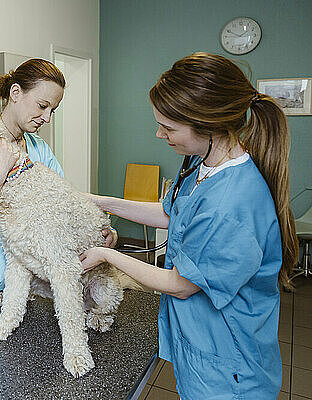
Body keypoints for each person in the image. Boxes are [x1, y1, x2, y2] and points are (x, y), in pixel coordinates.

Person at [80, 52, 297, 399]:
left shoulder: (233, 203)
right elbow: (171, 214)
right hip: (202, 350)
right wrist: (99, 201)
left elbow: (180, 284)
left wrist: (106, 255)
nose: (159, 133)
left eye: (169, 128)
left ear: (208, 125)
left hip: (230, 370)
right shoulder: (205, 161)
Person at [0, 59, 117, 342]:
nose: (47, 118)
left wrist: (101, 228)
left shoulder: (39, 150)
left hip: (11, 294)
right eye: (42, 106)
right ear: (15, 93)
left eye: (53, 110)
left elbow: (67, 202)